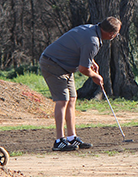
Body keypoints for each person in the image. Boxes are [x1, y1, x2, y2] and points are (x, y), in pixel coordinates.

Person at [40, 17, 122, 151]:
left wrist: (91, 61)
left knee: (72, 99)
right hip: (53, 63)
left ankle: (71, 137)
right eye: (116, 33)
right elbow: (84, 69)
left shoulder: (91, 30)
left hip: (66, 66)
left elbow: (80, 48)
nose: (116, 36)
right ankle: (59, 141)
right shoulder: (93, 41)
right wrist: (96, 76)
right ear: (110, 34)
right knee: (62, 100)